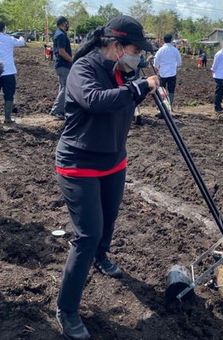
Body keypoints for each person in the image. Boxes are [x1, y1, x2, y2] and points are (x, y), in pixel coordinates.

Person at [54, 15, 159, 340]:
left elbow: (127, 97)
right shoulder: (83, 69)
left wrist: (147, 90)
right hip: (78, 163)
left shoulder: (124, 71)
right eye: (135, 50)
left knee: (108, 222)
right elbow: (96, 101)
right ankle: (67, 309)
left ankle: (102, 257)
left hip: (113, 160)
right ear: (116, 46)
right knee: (88, 234)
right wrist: (140, 86)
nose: (138, 57)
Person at [0, 21, 25, 124]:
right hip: (8, 71)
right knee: (9, 94)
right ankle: (7, 118)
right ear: (4, 28)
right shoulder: (9, 39)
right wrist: (21, 36)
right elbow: (21, 43)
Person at [50, 16, 72, 120]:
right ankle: (57, 110)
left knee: (63, 87)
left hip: (61, 65)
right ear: (63, 23)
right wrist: (72, 60)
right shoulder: (61, 35)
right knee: (66, 87)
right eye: (67, 23)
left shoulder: (58, 34)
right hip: (63, 65)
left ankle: (61, 110)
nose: (68, 25)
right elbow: (61, 52)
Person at [154, 33, 182, 110]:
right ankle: (169, 106)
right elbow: (179, 62)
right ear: (171, 40)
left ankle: (161, 106)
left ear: (164, 40)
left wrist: (157, 67)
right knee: (171, 91)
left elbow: (156, 62)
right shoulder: (175, 50)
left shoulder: (160, 50)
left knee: (161, 90)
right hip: (172, 73)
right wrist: (177, 67)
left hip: (162, 73)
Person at [211, 42, 223, 112]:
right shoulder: (219, 54)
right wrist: (213, 70)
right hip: (219, 75)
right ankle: (216, 106)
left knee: (222, 92)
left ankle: (219, 105)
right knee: (218, 92)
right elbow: (215, 63)